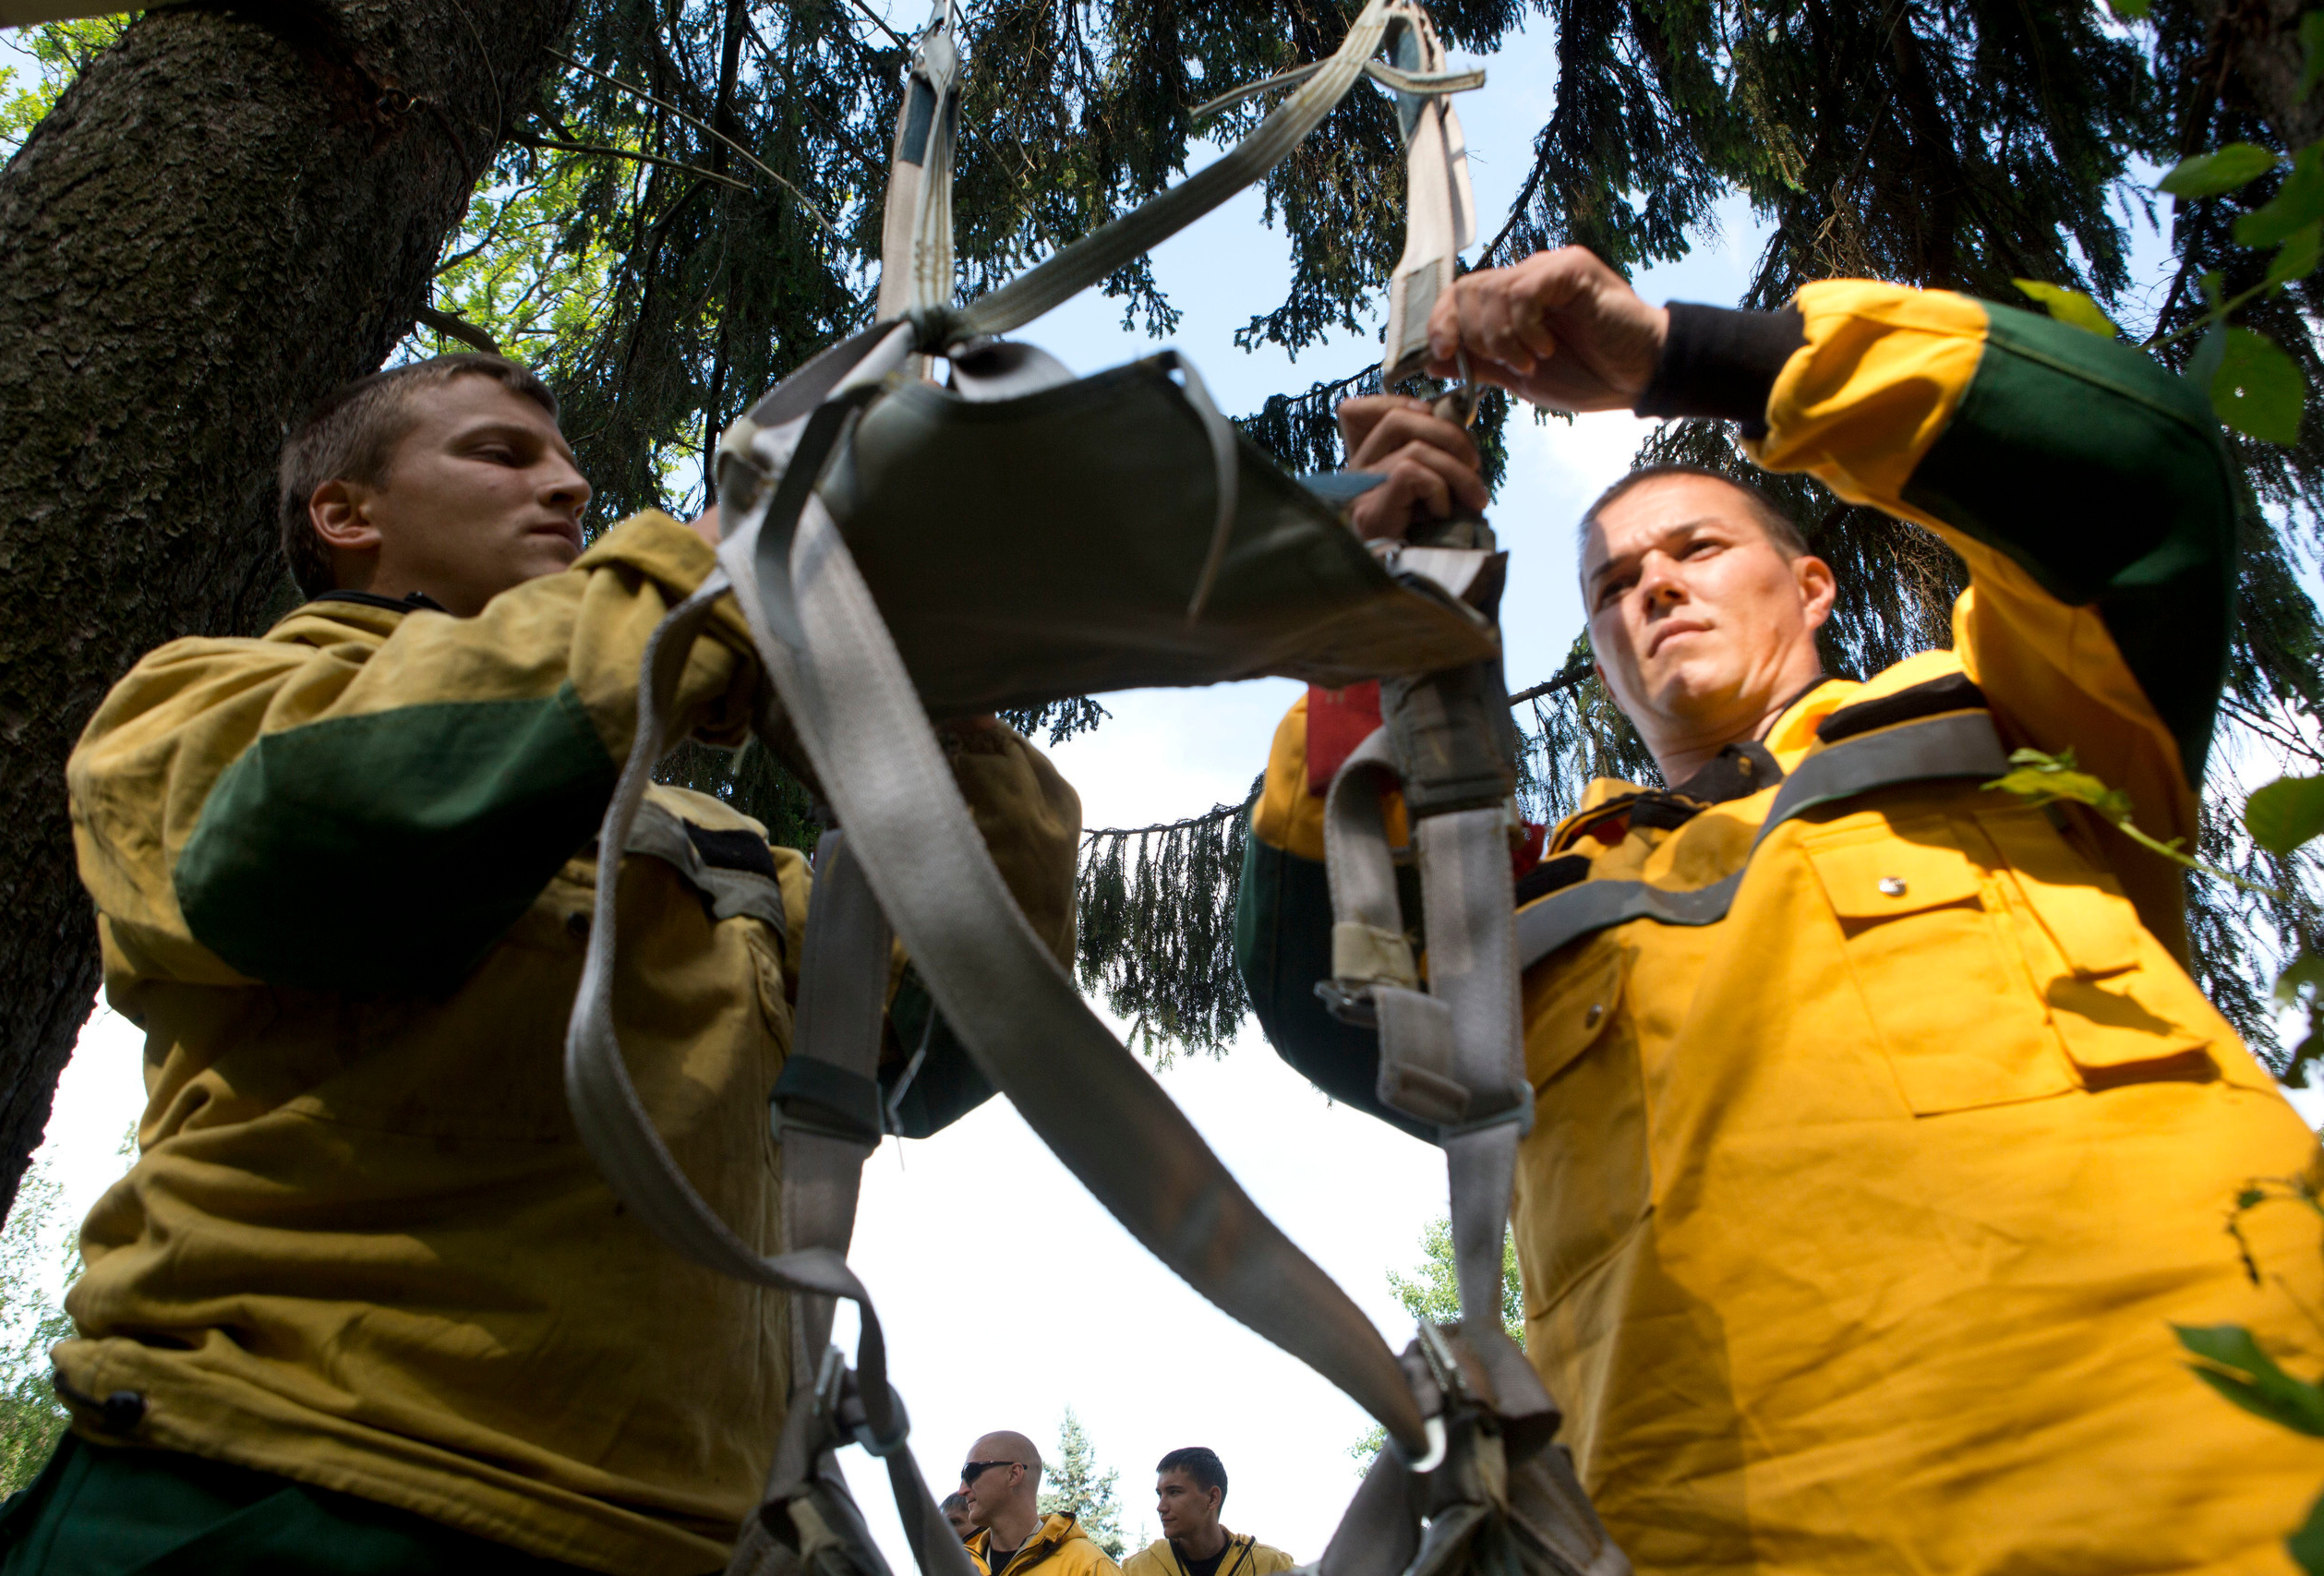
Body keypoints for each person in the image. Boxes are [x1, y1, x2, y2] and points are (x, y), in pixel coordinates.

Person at [1235, 247, 2324, 1573]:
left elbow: (2137, 477)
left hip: (2206, 1487)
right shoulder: (1533, 897)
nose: (1654, 585)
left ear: (1811, 586)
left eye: (1697, 546)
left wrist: (1684, 355)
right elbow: (1319, 978)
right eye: (1612, 583)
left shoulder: (2028, 711)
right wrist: (1381, 628)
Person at [0, 354, 1080, 1576]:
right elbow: (310, 847)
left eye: (570, 469)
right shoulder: (202, 699)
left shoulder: (724, 848)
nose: (565, 488)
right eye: (501, 454)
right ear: (347, 514)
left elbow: (961, 1034)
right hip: (281, 1489)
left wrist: (938, 716)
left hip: (686, 1539)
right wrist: (706, 579)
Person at [958, 1431, 1119, 1576]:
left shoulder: (1087, 1564)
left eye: (971, 1472)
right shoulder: (956, 1564)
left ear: (1014, 1474)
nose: (962, 1490)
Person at [1120, 1448, 1289, 1576]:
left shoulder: (1270, 1566)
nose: (1161, 1507)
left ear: (1212, 1498)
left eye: (1174, 1492)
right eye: (1160, 1494)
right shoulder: (1137, 1570)